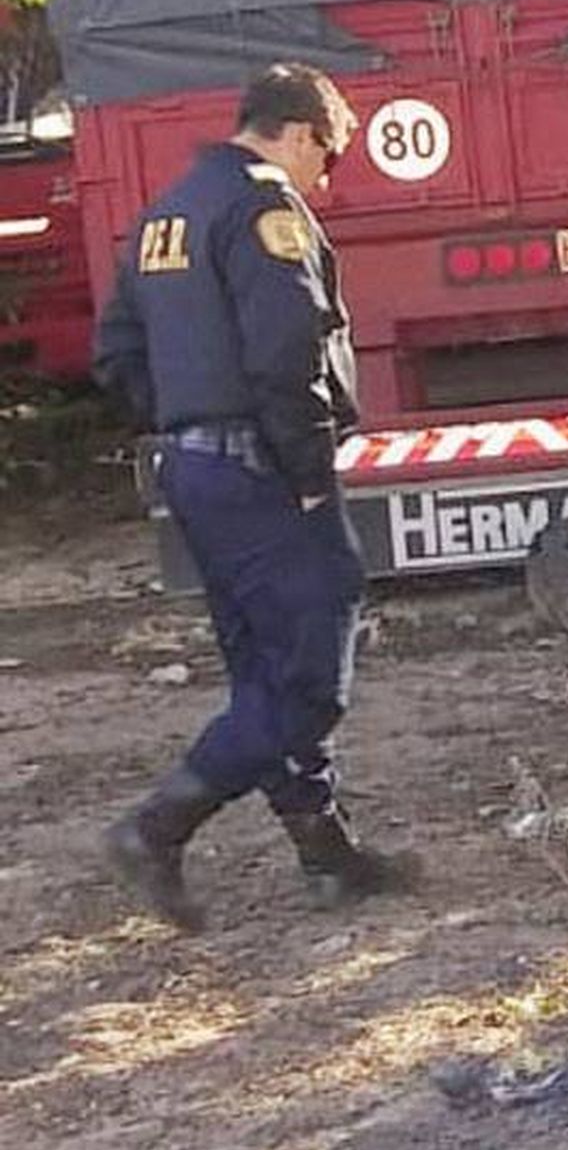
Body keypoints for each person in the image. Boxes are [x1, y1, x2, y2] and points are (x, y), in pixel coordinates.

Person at [94, 62, 416, 930]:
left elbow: (118, 349)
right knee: (312, 674)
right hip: (263, 471)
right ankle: (157, 828)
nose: (329, 177)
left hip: (194, 469)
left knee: (262, 672)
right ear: (302, 131)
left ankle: (324, 856)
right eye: (330, 155)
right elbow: (286, 349)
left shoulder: (165, 212)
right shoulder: (265, 206)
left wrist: (184, 425)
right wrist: (308, 474)